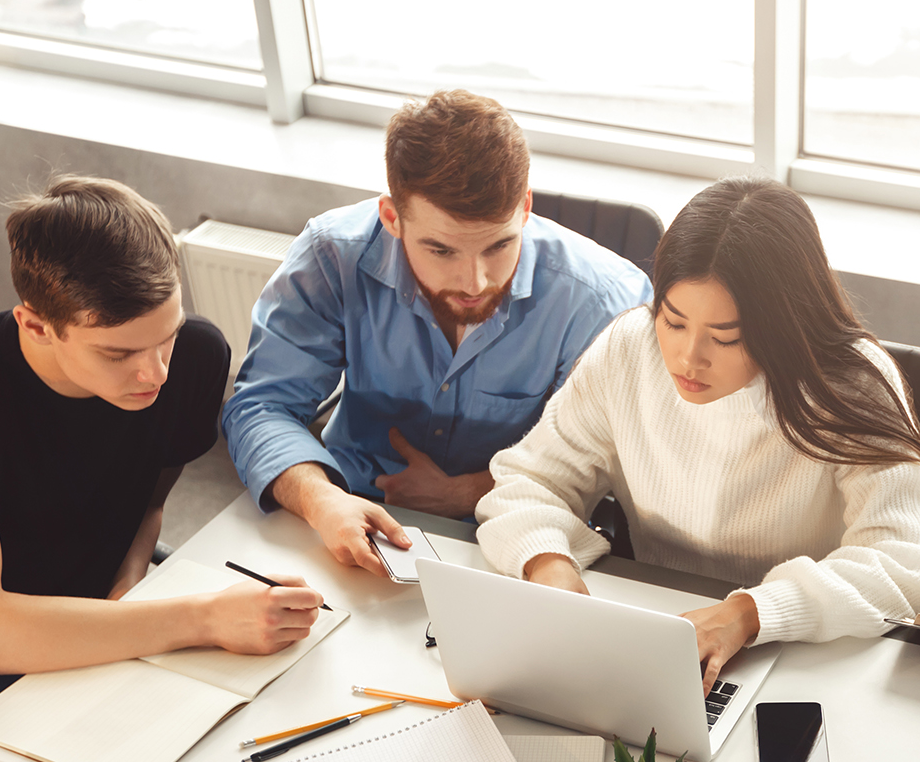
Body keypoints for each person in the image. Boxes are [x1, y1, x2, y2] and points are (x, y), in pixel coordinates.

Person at [0, 176, 322, 742]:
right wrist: (202, 618)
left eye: (164, 336)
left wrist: (130, 578)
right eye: (118, 353)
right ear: (36, 325)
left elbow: (146, 497)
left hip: (98, 627)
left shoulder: (194, 355)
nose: (155, 374)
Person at [475, 177, 920, 688]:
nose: (687, 358)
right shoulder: (630, 349)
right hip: (662, 631)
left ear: (783, 326)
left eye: (726, 338)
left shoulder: (853, 385)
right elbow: (528, 481)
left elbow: (905, 563)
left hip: (807, 654)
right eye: (673, 322)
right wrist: (549, 565)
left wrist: (750, 612)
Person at [222, 89, 652, 572]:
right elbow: (262, 405)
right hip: (346, 510)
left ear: (525, 208)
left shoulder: (604, 301)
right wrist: (321, 499)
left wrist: (463, 493)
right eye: (442, 251)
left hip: (518, 536)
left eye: (498, 246)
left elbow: (608, 466)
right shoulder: (331, 256)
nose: (476, 282)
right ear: (392, 219)